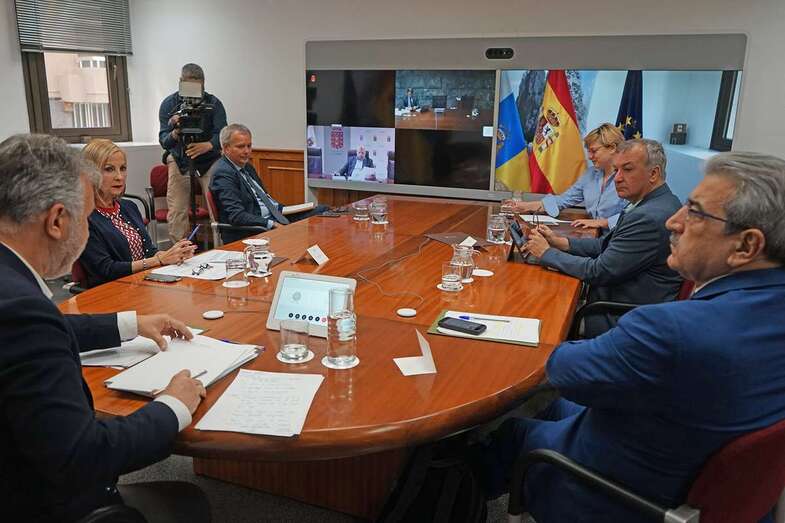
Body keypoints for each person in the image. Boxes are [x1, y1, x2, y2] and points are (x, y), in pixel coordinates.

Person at [472, 151, 785, 522]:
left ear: (746, 246)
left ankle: (450, 500)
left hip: (620, 495)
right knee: (554, 407)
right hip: (702, 466)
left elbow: (562, 371)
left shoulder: (670, 331)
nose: (674, 221)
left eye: (696, 212)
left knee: (512, 432)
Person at [0, 134, 210, 522]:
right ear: (58, 221)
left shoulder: (12, 291)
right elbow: (83, 455)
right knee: (191, 503)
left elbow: (46, 328)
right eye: (84, 217)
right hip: (41, 503)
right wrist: (173, 404)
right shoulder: (22, 311)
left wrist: (129, 324)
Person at [524, 138, 682, 336]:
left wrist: (546, 253)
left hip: (620, 318)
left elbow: (599, 271)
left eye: (628, 169)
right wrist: (561, 243)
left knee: (540, 313)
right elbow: (605, 245)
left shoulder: (649, 217)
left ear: (654, 173)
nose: (617, 178)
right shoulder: (655, 203)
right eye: (616, 170)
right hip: (618, 303)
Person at [79, 139, 196, 288]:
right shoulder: (82, 218)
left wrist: (173, 254)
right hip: (111, 292)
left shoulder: (129, 207)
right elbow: (106, 270)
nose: (119, 176)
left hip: (143, 285)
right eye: (109, 169)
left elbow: (149, 250)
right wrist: (159, 260)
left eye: (123, 168)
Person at [209, 123, 328, 244]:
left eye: (249, 146)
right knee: (310, 228)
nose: (247, 151)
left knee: (323, 211)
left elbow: (265, 199)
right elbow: (237, 215)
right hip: (253, 229)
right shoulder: (223, 174)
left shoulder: (247, 167)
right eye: (240, 147)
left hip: (275, 216)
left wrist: (287, 210)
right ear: (226, 148)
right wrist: (271, 224)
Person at [506, 123, 627, 230]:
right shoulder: (590, 174)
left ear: (612, 148)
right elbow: (563, 200)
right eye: (588, 151)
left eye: (594, 151)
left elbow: (635, 215)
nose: (589, 156)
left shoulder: (629, 178)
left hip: (619, 240)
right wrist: (523, 206)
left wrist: (602, 223)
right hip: (596, 238)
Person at [159, 63, 227, 244]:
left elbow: (222, 133)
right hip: (180, 158)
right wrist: (174, 133)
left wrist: (208, 145)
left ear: (204, 84)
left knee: (218, 207)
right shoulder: (169, 104)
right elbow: (163, 140)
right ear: (180, 82)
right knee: (177, 210)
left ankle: (222, 247)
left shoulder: (214, 104)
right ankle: (179, 253)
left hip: (209, 159)